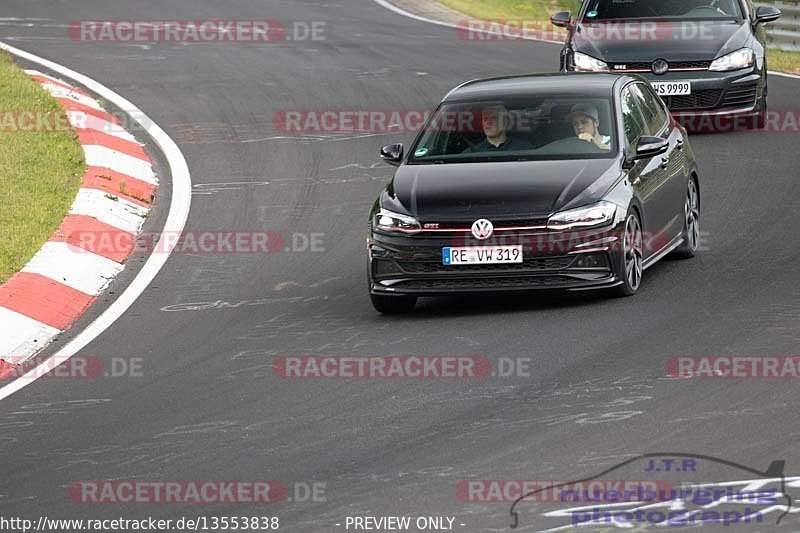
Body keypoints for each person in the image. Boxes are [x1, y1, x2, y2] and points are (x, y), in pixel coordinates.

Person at [462, 104, 533, 153]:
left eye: (494, 118)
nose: (488, 122)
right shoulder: (471, 152)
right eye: (485, 118)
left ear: (505, 122)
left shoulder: (524, 148)